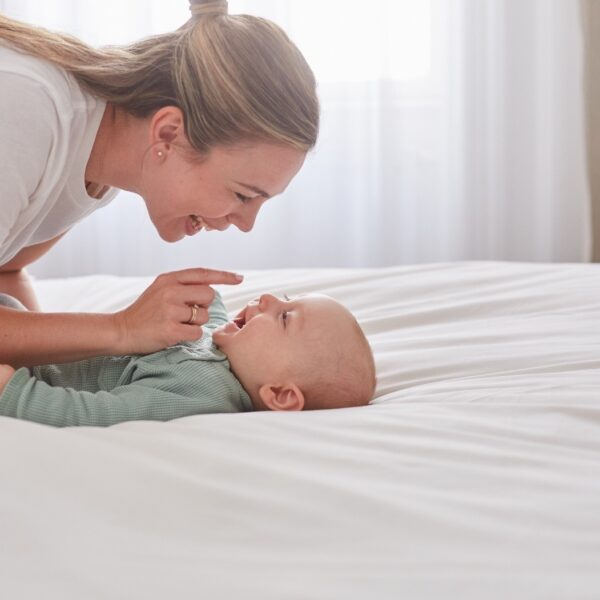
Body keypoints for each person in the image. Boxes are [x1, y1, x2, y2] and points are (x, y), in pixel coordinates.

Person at [0, 0, 319, 368]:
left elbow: (7, 269)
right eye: (243, 195)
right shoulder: (26, 111)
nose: (246, 224)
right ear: (168, 133)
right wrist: (122, 328)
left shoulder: (103, 155)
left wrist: (45, 378)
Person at [0, 291, 376, 427]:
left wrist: (14, 392)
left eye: (284, 316)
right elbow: (210, 311)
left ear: (279, 394)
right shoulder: (220, 346)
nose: (267, 299)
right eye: (285, 297)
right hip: (33, 340)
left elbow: (96, 414)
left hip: (30, 370)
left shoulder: (200, 393)